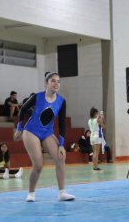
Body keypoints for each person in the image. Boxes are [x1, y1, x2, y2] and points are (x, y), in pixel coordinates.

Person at [13, 72, 75, 202]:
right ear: (46, 83)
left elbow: (62, 123)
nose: (56, 83)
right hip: (31, 131)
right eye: (53, 81)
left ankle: (62, 192)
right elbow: (23, 109)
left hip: (47, 133)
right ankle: (31, 193)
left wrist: (62, 145)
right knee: (39, 165)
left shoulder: (61, 101)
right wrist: (19, 129)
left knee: (60, 158)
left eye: (58, 81)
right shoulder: (37, 97)